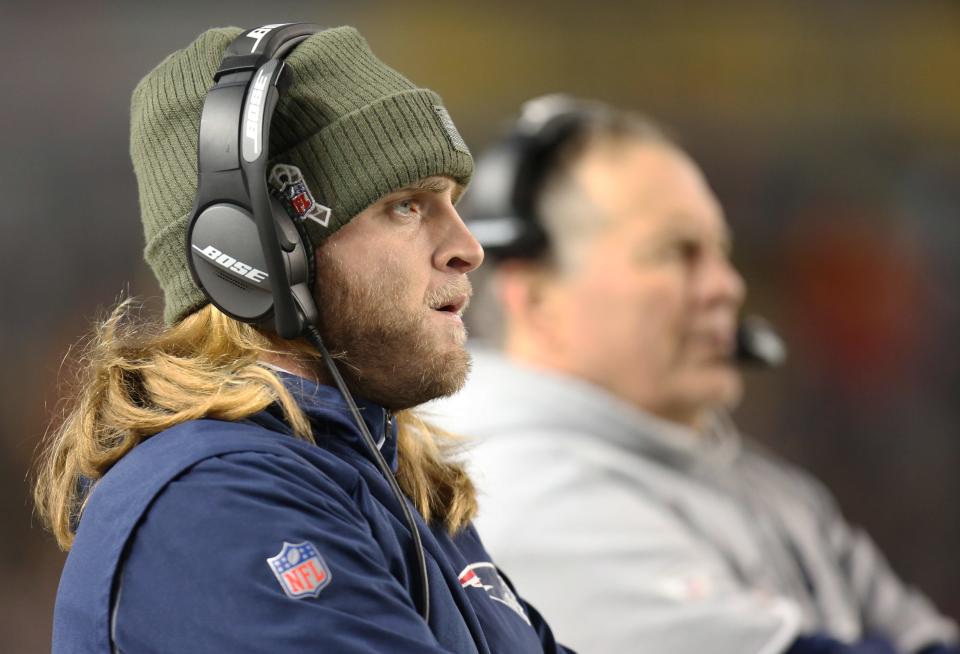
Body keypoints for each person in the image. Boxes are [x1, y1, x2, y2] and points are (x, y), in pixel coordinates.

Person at [34, 26, 573, 654]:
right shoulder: (215, 504)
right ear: (259, 253)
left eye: (452, 202)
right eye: (406, 205)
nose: (468, 248)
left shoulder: (390, 478)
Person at [430, 95, 959, 654]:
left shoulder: (763, 484)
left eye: (720, 252)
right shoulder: (513, 486)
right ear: (536, 298)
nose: (726, 286)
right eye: (678, 253)